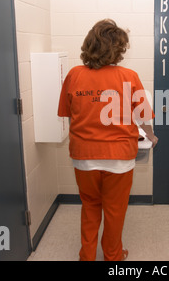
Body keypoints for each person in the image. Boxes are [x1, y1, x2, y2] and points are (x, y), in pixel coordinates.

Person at [58, 19, 158, 261]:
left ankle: (87, 256)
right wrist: (151, 136)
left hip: (84, 156)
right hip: (119, 159)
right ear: (118, 49)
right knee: (115, 211)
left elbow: (69, 115)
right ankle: (113, 256)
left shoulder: (74, 75)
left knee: (90, 207)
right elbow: (143, 116)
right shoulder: (129, 76)